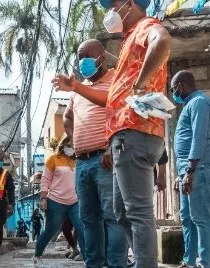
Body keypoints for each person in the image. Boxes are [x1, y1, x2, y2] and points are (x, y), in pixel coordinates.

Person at [52, 0, 171, 265]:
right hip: (125, 136)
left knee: (136, 212)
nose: (110, 12)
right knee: (121, 213)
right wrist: (75, 87)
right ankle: (139, 259)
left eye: (113, 5)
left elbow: (161, 40)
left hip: (135, 132)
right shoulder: (129, 39)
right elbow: (111, 99)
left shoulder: (145, 26)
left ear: (130, 4)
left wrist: (140, 84)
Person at [62, 39, 128, 268]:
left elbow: (123, 116)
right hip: (82, 162)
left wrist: (112, 146)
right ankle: (94, 264)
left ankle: (116, 264)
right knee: (88, 220)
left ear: (103, 56)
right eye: (80, 58)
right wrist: (73, 139)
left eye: (88, 56)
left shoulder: (116, 81)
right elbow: (67, 117)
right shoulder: (77, 90)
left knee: (113, 217)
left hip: (105, 160)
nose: (83, 62)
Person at [171, 71, 210, 268]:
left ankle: (205, 262)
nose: (173, 94)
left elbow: (199, 137)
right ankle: (190, 260)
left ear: (181, 85)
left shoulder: (199, 102)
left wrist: (191, 170)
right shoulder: (189, 105)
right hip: (187, 171)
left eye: (173, 89)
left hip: (198, 169)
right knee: (187, 218)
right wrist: (181, 173)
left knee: (201, 218)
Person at [33, 135, 85, 266]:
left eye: (73, 146)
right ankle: (37, 255)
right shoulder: (53, 159)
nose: (71, 148)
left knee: (81, 227)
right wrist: (43, 198)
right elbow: (45, 180)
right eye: (69, 145)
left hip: (74, 201)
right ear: (62, 146)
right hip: (55, 201)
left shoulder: (77, 160)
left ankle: (87, 256)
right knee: (50, 230)